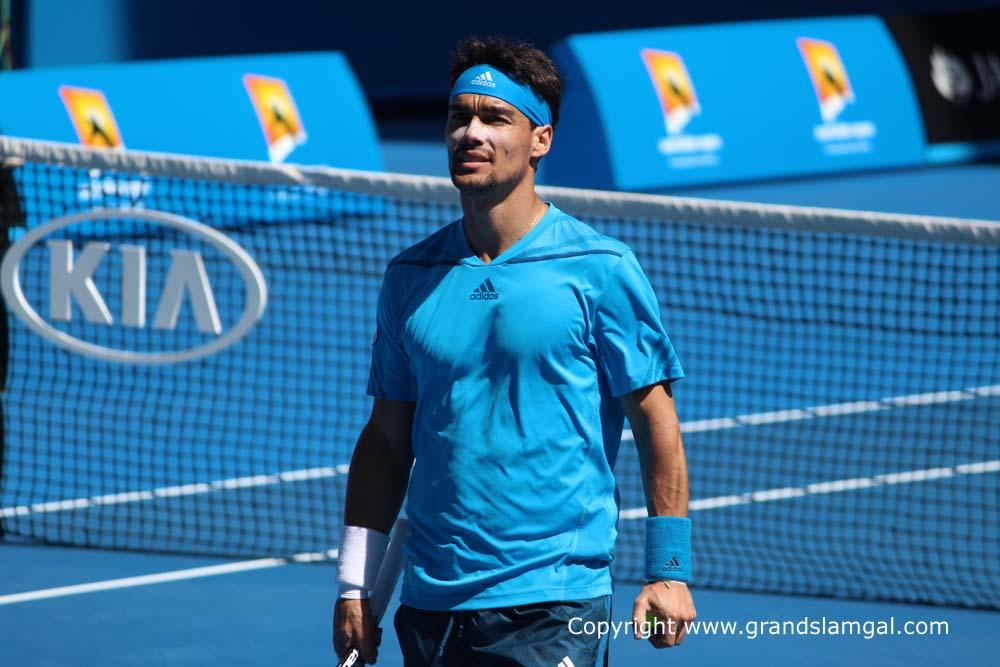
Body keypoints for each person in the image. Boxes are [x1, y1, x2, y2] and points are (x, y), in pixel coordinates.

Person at [333, 36, 696, 667]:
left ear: (540, 141)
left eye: (495, 118)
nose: (470, 133)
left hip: (552, 601)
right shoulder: (409, 276)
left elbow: (655, 421)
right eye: (458, 116)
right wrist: (354, 584)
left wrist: (669, 568)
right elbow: (387, 441)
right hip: (431, 603)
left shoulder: (600, 269)